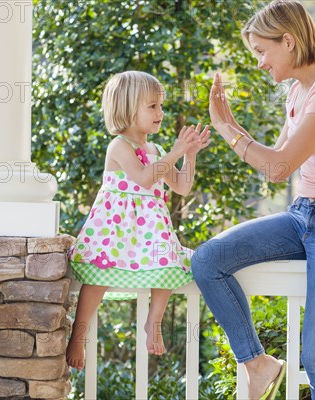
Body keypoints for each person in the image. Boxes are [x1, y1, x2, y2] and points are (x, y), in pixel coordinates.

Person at [191, 1, 315, 399]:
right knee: (208, 260)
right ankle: (258, 363)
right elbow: (276, 160)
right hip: (301, 216)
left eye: (262, 51)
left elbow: (278, 168)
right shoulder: (298, 91)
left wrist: (226, 129)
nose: (260, 63)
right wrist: (231, 126)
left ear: (289, 41)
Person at [66, 71, 210, 370]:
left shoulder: (155, 150)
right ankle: (78, 334)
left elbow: (181, 186)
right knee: (97, 275)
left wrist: (189, 155)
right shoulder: (119, 146)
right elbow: (145, 178)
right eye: (153, 106)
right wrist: (175, 152)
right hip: (114, 227)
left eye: (161, 105)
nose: (161, 113)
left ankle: (153, 322)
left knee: (169, 261)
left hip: (149, 228)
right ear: (129, 110)